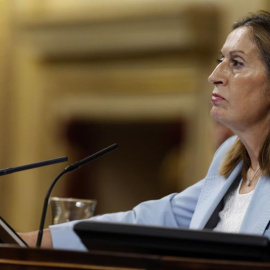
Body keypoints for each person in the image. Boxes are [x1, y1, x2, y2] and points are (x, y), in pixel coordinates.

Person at [20, 10, 270, 251]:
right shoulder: (230, 160)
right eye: (220, 60)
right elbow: (143, 221)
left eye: (236, 63)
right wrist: (29, 241)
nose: (214, 76)